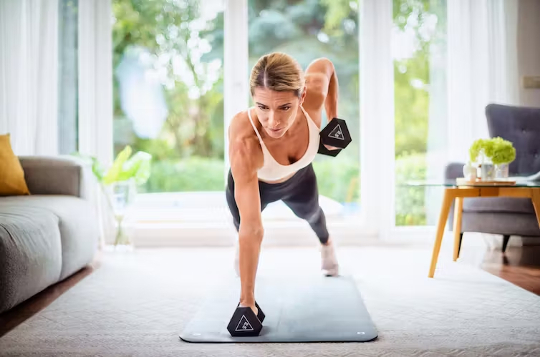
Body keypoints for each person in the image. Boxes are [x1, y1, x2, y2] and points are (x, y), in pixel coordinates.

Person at [225, 52, 341, 317]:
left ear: (301, 97)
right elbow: (254, 228)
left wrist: (334, 120)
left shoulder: (313, 98)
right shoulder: (245, 137)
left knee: (313, 215)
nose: (273, 122)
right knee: (243, 226)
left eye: (284, 107)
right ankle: (241, 252)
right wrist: (247, 303)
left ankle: (327, 244)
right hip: (255, 183)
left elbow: (326, 66)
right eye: (263, 107)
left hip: (298, 178)